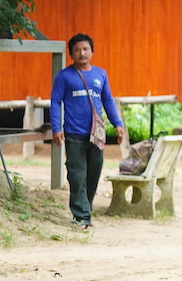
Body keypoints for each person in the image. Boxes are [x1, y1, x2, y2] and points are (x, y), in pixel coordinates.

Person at [51, 33, 127, 229]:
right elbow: (55, 102)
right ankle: (81, 216)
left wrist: (117, 124)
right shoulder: (64, 76)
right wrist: (56, 128)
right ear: (71, 54)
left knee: (93, 173)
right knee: (77, 175)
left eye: (85, 49)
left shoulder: (101, 75)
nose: (81, 53)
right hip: (74, 134)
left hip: (96, 135)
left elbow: (108, 100)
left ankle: (85, 210)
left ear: (92, 51)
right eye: (77, 50)